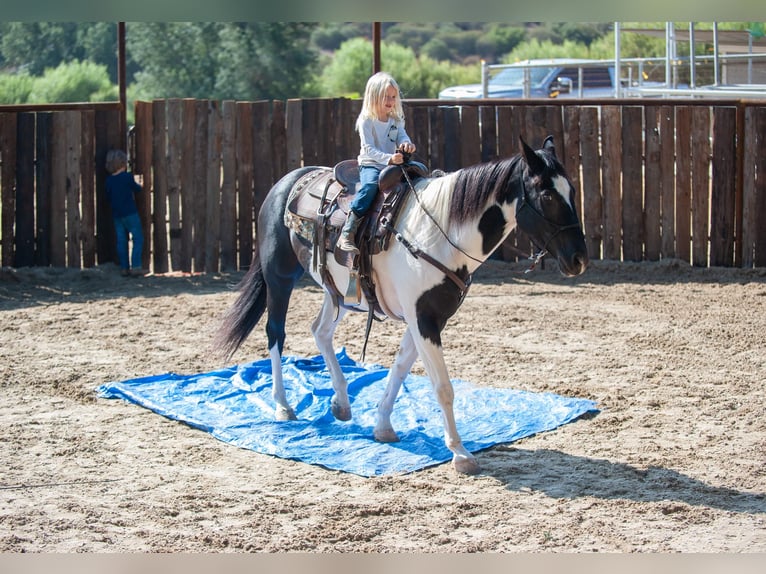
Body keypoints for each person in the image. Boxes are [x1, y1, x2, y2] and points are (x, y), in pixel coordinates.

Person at [337, 71, 417, 254]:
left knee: (417, 177)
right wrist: (389, 158)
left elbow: (401, 136)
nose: (390, 101)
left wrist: (407, 144)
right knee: (371, 186)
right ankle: (348, 231)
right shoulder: (367, 121)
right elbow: (368, 149)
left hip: (391, 165)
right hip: (371, 164)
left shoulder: (396, 120)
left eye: (393, 97)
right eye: (385, 97)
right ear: (374, 96)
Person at [104, 149, 146, 277]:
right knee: (138, 238)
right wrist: (141, 183)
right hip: (130, 213)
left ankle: (124, 267)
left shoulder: (109, 181)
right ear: (123, 163)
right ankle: (136, 266)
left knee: (121, 241)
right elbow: (137, 189)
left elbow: (108, 196)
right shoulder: (127, 177)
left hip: (117, 215)